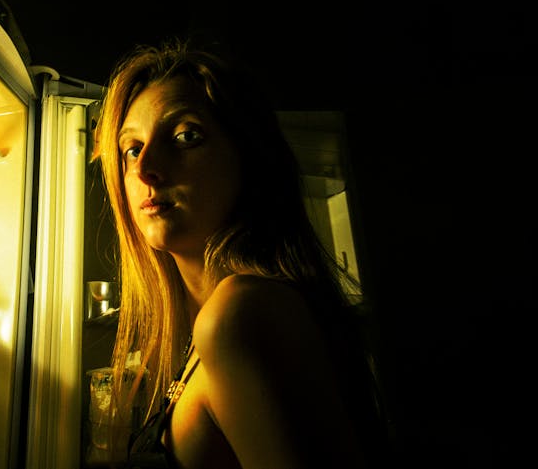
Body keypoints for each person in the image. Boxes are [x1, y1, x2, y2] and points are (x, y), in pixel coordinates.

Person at [91, 39, 387, 469]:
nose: (144, 167)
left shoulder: (240, 314)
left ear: (250, 158)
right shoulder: (225, 320)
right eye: (132, 148)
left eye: (185, 136)